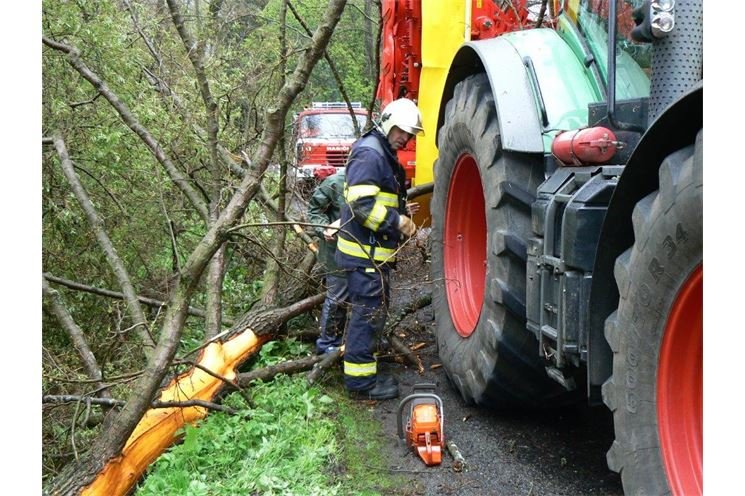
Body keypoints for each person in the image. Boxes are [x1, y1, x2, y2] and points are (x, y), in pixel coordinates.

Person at [335, 98, 423, 400]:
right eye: (403, 131)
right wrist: (396, 222)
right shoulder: (370, 154)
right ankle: (361, 383)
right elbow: (361, 206)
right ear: (388, 122)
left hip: (371, 257)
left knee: (372, 315)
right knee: (367, 316)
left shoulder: (380, 153)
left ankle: (365, 370)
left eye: (410, 135)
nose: (406, 138)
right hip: (364, 257)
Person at [307, 169, 348, 355]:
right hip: (336, 252)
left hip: (367, 253)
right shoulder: (335, 183)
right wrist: (323, 229)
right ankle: (327, 346)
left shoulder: (379, 180)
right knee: (337, 298)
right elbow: (314, 211)